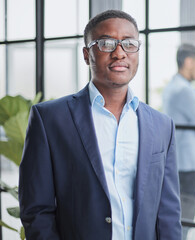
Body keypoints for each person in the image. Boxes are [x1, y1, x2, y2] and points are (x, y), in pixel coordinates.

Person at [19, 10, 181, 240]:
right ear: (87, 55)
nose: (119, 53)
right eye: (106, 43)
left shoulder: (162, 125)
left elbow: (168, 213)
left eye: (129, 43)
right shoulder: (49, 119)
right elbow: (36, 210)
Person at [162, 43, 195, 240]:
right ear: (188, 62)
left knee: (177, 211)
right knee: (186, 216)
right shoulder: (185, 90)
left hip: (178, 159)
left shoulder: (172, 86)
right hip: (188, 162)